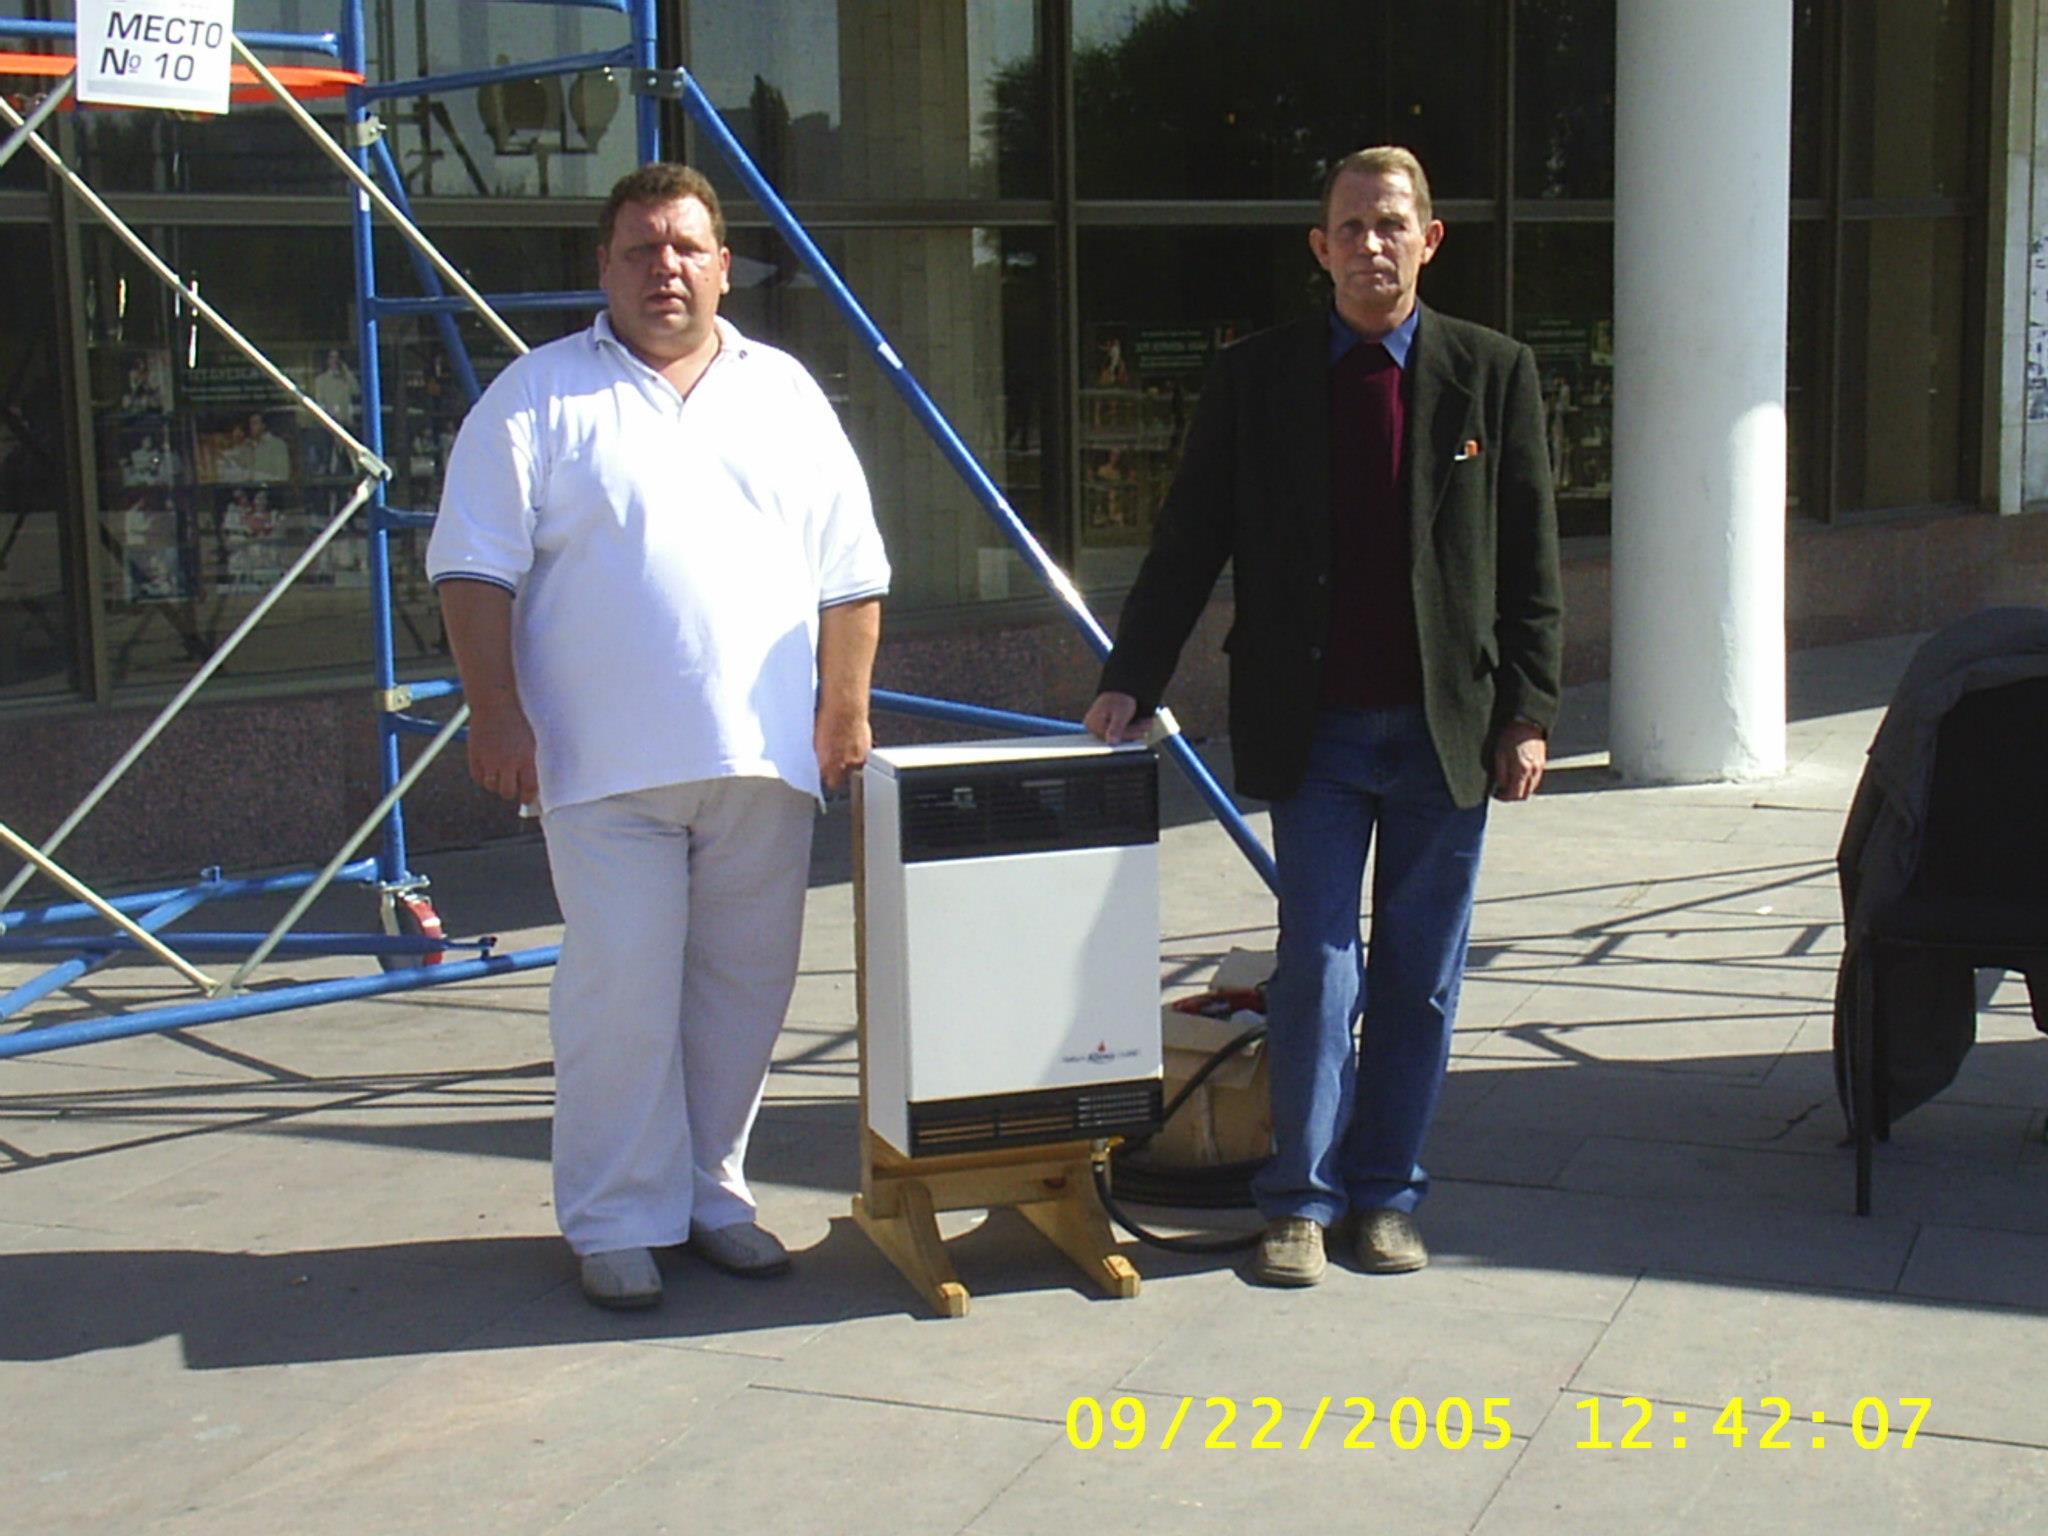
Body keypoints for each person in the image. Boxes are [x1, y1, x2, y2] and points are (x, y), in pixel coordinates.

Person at [1084, 146, 1562, 1286]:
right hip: (1316, 728)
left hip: (1445, 728)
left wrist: (1527, 711)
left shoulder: (1493, 374)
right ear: (1319, 247)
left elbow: (1528, 559)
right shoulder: (1256, 377)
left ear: (1428, 239)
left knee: (1420, 975)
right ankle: (1296, 1203)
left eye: (1389, 224)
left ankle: (1385, 1195)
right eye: (1349, 227)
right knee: (1318, 965)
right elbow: (1189, 537)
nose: (1369, 245)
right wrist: (1130, 676)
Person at [426, 163, 890, 1311]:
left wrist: (842, 709)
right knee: (621, 995)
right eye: (640, 249)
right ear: (604, 267)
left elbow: (850, 571)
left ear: (724, 266)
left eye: (686, 248)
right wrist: (496, 711)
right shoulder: (536, 396)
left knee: (743, 990)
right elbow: (472, 568)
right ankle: (615, 1219)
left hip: (762, 759)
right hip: (600, 766)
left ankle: (711, 1195)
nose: (664, 268)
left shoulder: (784, 394)